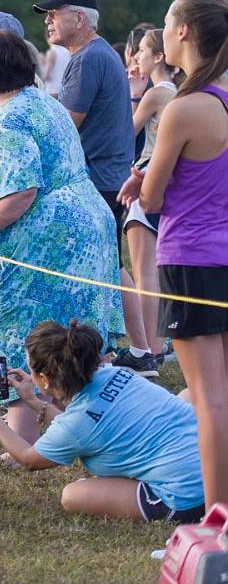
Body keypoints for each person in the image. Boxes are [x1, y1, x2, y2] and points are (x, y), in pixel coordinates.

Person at [0, 31, 121, 446]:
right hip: (81, 236)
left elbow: (20, 191)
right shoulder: (43, 103)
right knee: (73, 341)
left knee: (19, 340)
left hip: (42, 248)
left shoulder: (10, 118)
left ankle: (23, 442)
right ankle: (85, 429)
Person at [125, 0, 228, 506]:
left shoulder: (184, 108)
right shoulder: (223, 103)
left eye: (166, 23)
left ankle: (215, 520)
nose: (161, 33)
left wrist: (142, 180)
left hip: (190, 259)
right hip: (222, 257)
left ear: (183, 31)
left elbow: (155, 197)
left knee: (209, 402)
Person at [0, 321, 204, 522]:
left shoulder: (76, 424)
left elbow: (29, 459)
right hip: (217, 471)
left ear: (45, 378)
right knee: (184, 397)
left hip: (186, 497)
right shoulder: (118, 374)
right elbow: (88, 422)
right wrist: (31, 399)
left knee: (73, 495)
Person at [37, 0, 136, 368]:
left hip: (96, 178)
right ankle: (144, 348)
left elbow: (66, 125)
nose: (48, 20)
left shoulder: (87, 58)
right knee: (114, 265)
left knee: (97, 270)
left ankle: (108, 351)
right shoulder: (94, 54)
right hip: (107, 175)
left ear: (79, 17)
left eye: (54, 12)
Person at [120, 28, 176, 365]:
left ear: (158, 57)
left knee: (144, 272)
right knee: (152, 269)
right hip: (164, 181)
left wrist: (133, 94)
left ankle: (149, 347)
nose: (136, 56)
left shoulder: (157, 92)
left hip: (145, 176)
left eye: (141, 50)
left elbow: (126, 130)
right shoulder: (178, 90)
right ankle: (158, 342)